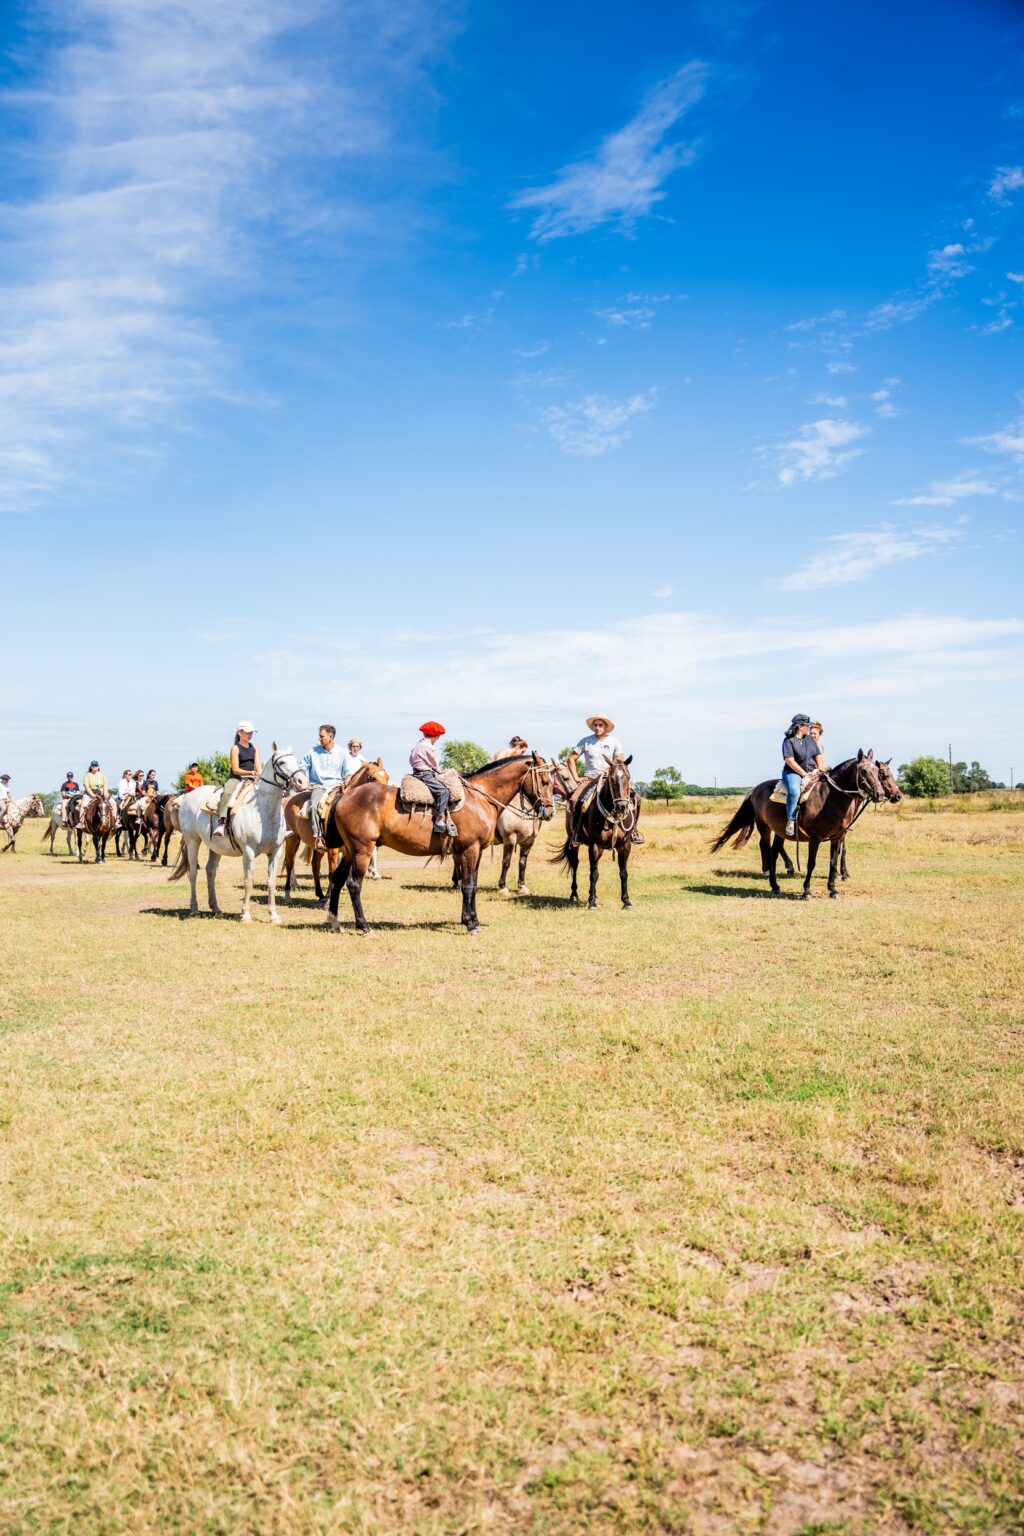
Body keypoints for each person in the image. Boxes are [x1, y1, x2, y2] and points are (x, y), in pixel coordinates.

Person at [564, 714, 643, 846]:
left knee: (638, 799)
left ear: (606, 727)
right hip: (590, 778)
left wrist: (612, 770)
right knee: (573, 800)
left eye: (600, 725)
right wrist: (576, 777)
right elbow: (571, 759)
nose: (597, 727)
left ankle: (634, 831)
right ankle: (577, 833)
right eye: (595, 725)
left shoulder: (614, 742)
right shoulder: (585, 741)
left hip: (610, 779)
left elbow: (620, 762)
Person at [302, 724, 347, 848]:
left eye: (322, 736)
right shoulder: (312, 752)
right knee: (314, 807)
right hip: (319, 787)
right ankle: (318, 837)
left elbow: (348, 773)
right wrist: (305, 783)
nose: (319, 739)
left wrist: (346, 782)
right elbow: (301, 768)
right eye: (320, 736)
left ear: (331, 736)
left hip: (337, 787)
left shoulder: (342, 752)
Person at [781, 714, 825, 838]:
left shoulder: (809, 739)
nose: (809, 729)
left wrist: (820, 769)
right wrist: (805, 774)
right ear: (800, 726)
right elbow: (790, 761)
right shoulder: (788, 741)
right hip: (793, 773)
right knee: (794, 791)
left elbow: (818, 755)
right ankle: (790, 820)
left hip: (812, 771)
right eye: (807, 726)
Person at [410, 721, 457, 837]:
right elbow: (434, 764)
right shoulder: (429, 747)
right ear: (437, 736)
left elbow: (411, 760)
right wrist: (440, 771)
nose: (437, 739)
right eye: (438, 737)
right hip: (425, 774)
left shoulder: (418, 744)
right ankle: (439, 820)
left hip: (416, 772)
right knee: (444, 792)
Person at [215, 722, 261, 833]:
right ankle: (221, 822)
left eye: (251, 732)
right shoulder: (235, 748)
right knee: (227, 792)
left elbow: (258, 763)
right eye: (248, 732)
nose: (250, 734)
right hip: (237, 778)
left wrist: (260, 774)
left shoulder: (255, 747)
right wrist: (251, 773)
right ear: (240, 733)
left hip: (252, 777)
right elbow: (235, 769)